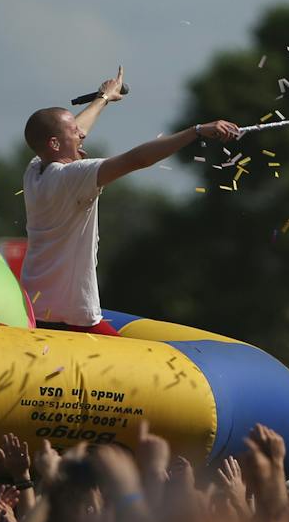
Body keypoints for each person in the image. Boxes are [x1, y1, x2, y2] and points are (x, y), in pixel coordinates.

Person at [20, 66, 240, 334]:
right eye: (73, 132)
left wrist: (104, 97)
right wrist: (195, 131)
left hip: (33, 307)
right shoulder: (72, 176)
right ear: (55, 144)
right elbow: (137, 160)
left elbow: (75, 128)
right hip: (69, 317)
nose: (81, 134)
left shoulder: (35, 169)